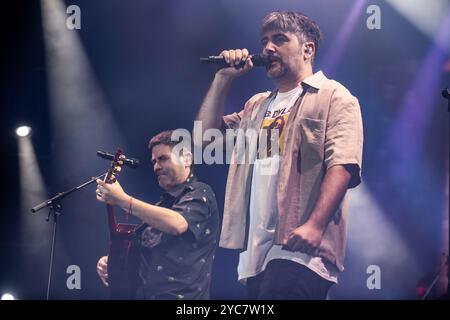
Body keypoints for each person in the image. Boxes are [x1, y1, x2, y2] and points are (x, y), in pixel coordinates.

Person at [195, 11, 363, 299]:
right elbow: (204, 139)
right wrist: (222, 78)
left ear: (308, 49)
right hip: (255, 256)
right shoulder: (256, 105)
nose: (268, 48)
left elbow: (344, 164)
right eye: (265, 41)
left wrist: (315, 225)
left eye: (280, 40)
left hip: (300, 250)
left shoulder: (334, 96)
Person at [95, 130, 220, 300]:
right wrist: (112, 262)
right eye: (154, 161)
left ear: (187, 159)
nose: (156, 167)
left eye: (163, 158)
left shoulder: (201, 192)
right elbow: (140, 253)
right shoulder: (161, 206)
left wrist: (124, 200)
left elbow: (177, 224)